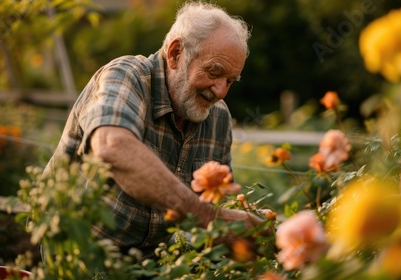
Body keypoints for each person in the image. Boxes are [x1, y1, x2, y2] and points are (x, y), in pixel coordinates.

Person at [45, 2, 264, 259]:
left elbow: (217, 205)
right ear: (176, 53)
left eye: (229, 80)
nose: (221, 91)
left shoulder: (218, 118)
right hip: (75, 252)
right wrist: (207, 217)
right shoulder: (127, 76)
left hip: (151, 264)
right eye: (214, 71)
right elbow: (113, 148)